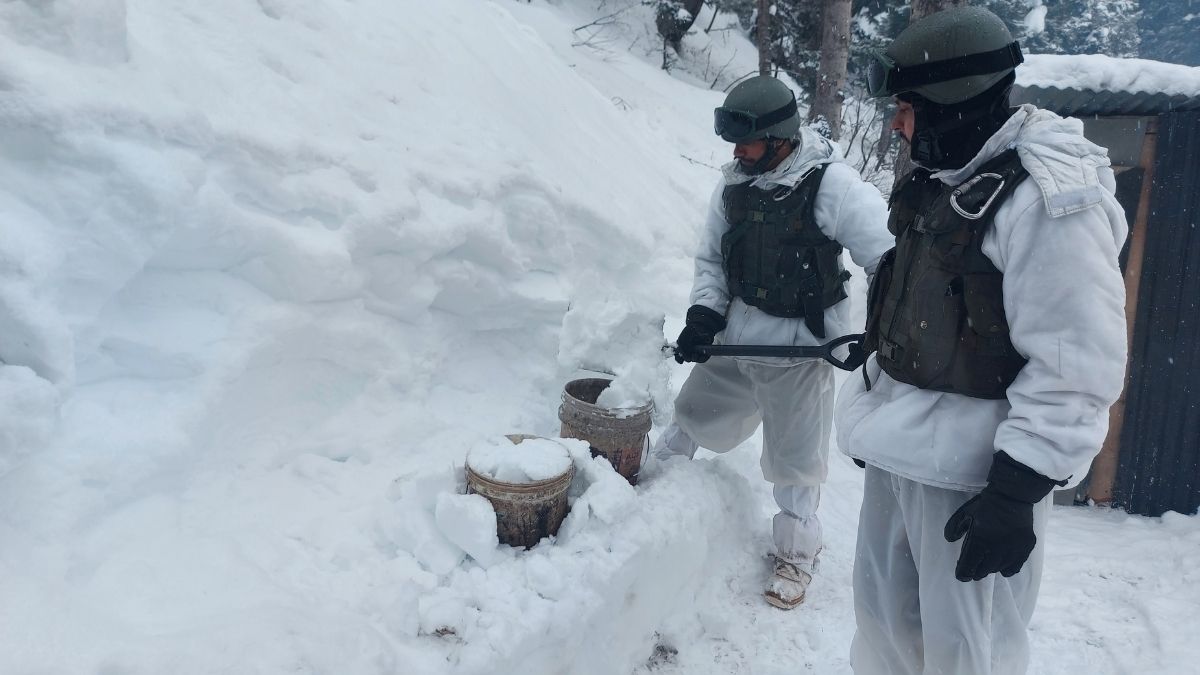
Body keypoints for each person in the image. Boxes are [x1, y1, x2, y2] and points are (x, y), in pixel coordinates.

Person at [837, 7, 1129, 673]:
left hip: (974, 481)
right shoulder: (949, 177)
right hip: (899, 455)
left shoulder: (1046, 201)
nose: (897, 124)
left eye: (907, 108)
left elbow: (1076, 362)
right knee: (883, 635)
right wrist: (876, 392)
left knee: (968, 655)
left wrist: (1017, 486)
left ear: (952, 104)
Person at [654, 75, 893, 610]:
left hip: (801, 349)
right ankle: (656, 507)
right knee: (691, 415)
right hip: (737, 337)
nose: (736, 152)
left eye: (748, 141)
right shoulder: (734, 184)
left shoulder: (831, 186)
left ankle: (796, 553)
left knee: (795, 461)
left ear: (781, 137)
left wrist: (870, 333)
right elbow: (712, 260)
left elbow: (889, 259)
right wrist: (702, 316)